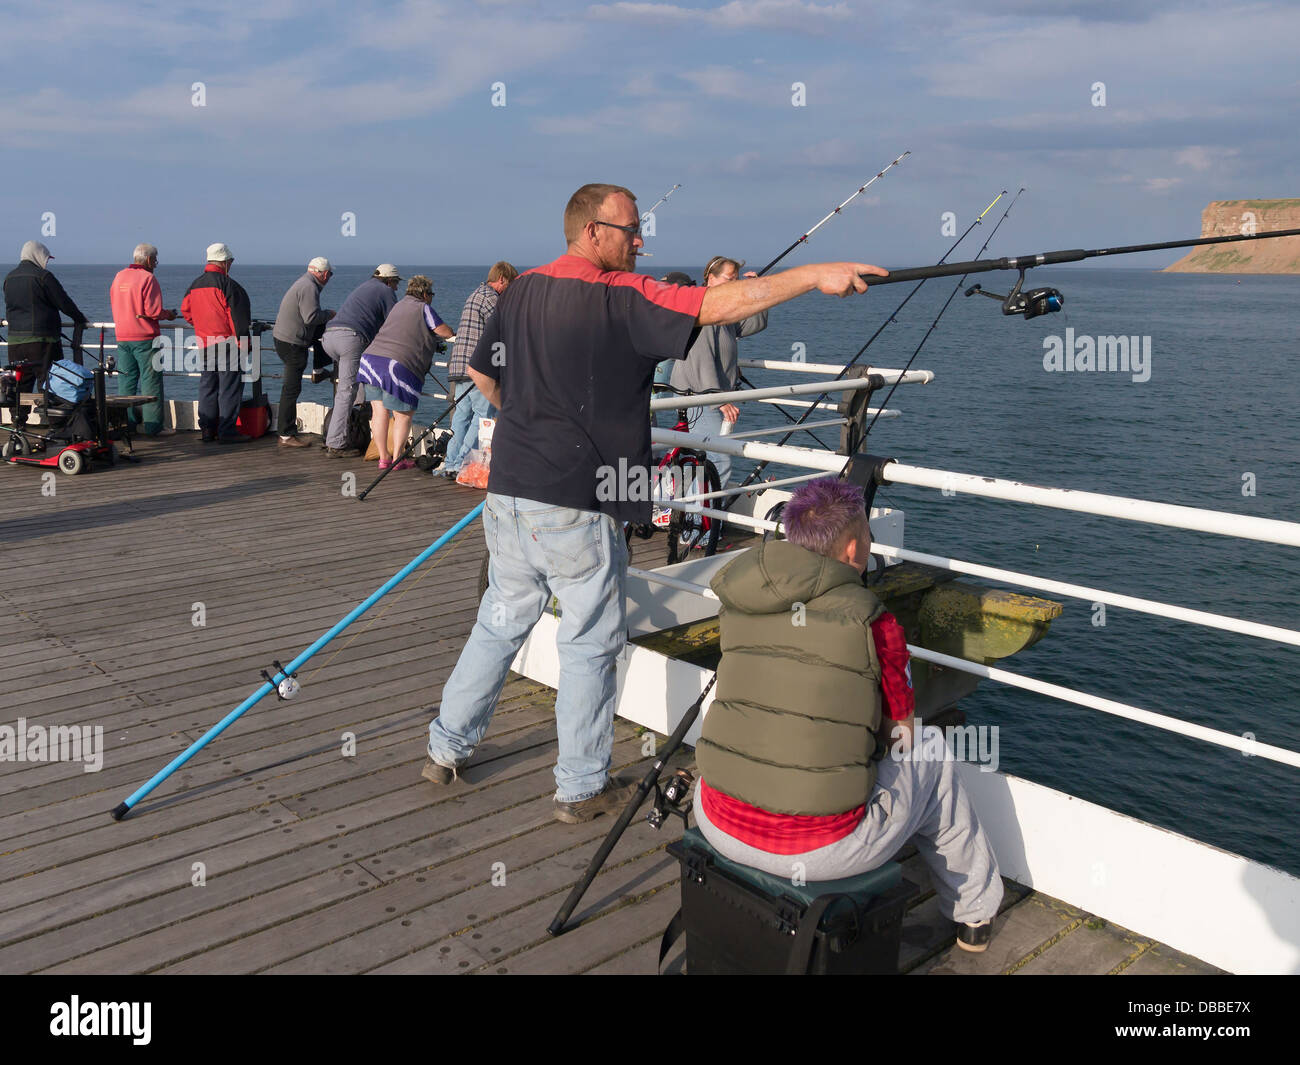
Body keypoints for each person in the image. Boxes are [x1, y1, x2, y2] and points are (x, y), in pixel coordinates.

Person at [422, 181, 884, 826]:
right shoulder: (620, 294)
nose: (640, 241)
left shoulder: (521, 288)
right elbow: (720, 306)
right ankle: (580, 788)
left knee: (501, 620)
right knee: (589, 643)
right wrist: (812, 275)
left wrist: (530, 423)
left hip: (509, 493)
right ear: (591, 232)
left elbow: (480, 372)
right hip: (578, 502)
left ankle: (445, 748)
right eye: (630, 229)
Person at [693, 477, 1003, 952]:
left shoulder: (740, 597)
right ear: (855, 547)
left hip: (718, 822)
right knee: (931, 752)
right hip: (820, 851)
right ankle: (974, 915)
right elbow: (899, 734)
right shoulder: (875, 622)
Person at [668, 255, 766, 487]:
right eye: (729, 278)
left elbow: (753, 324)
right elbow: (701, 356)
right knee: (718, 461)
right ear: (710, 279)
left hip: (708, 396)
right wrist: (719, 399)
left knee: (702, 459)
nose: (735, 283)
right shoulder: (705, 309)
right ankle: (703, 519)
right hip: (700, 398)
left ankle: (692, 517)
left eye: (737, 279)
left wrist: (758, 293)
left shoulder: (722, 310)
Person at [355, 275, 454, 470]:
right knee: (402, 414)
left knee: (379, 412)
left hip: (370, 361)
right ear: (425, 294)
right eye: (431, 294)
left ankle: (384, 457)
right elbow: (445, 331)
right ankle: (398, 458)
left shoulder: (397, 306)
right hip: (396, 366)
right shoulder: (423, 307)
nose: (432, 297)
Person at [441, 261, 517, 478]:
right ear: (501, 279)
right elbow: (503, 331)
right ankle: (463, 464)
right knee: (482, 416)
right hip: (478, 367)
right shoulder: (492, 299)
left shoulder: (475, 294)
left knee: (461, 417)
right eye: (510, 285)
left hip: (459, 364)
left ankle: (451, 462)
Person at [321, 264, 401, 457]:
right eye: (396, 283)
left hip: (330, 337)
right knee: (347, 392)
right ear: (390, 280)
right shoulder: (386, 291)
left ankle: (352, 431)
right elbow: (395, 323)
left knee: (355, 385)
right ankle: (336, 444)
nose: (397, 288)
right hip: (350, 339)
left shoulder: (365, 286)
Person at [181, 243, 252, 444]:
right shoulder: (229, 285)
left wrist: (200, 325)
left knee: (208, 385)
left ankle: (207, 430)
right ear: (225, 262)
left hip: (205, 342)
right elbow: (239, 320)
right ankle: (227, 431)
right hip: (227, 343)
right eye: (231, 261)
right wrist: (244, 342)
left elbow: (186, 311)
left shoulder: (194, 285)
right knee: (229, 387)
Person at [109, 243, 178, 436]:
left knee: (126, 382)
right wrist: (169, 314)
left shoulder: (119, 276)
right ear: (149, 260)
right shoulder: (148, 278)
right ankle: (153, 427)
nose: (155, 264)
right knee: (151, 382)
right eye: (155, 260)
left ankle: (126, 425)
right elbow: (153, 311)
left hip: (123, 336)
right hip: (145, 338)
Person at [272, 256, 335, 448]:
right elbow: (311, 317)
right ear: (324, 273)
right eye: (330, 274)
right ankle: (285, 434)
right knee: (291, 388)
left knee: (291, 387)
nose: (330, 278)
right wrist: (330, 314)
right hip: (293, 343)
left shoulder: (304, 282)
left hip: (284, 338)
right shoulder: (310, 287)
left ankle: (318, 370)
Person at [3, 240, 88, 380]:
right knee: (49, 384)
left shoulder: (9, 278)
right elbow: (64, 303)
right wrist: (80, 318)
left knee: (20, 387)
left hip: (15, 342)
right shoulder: (43, 276)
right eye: (46, 258)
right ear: (37, 255)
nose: (46, 262)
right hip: (42, 341)